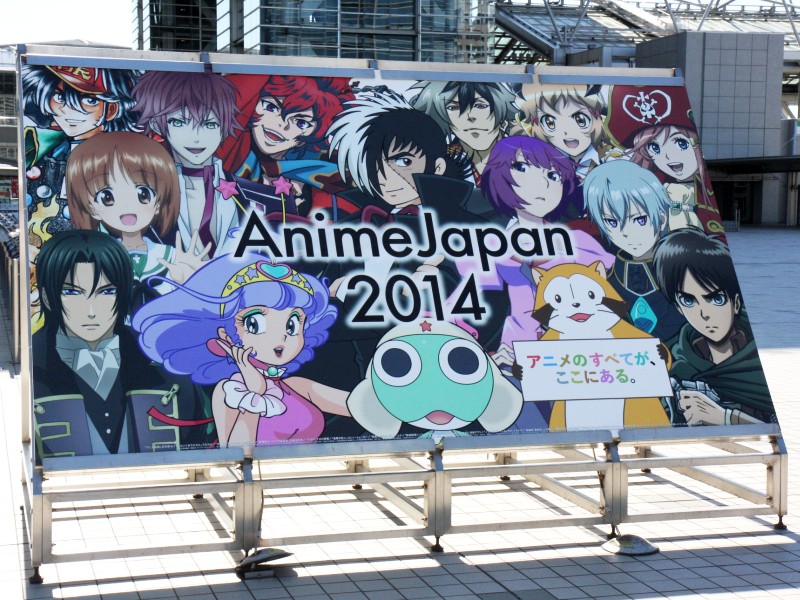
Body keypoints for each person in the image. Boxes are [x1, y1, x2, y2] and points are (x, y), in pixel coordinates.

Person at [132, 254, 351, 447]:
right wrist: (254, 395)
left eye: (292, 324)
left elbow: (360, 406)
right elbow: (236, 454)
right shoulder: (228, 392)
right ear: (225, 334)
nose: (282, 336)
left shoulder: (298, 387)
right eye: (255, 324)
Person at [32, 230, 213, 458]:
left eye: (106, 291)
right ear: (48, 297)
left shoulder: (160, 360)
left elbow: (200, 433)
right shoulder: (30, 368)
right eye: (72, 292)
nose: (91, 311)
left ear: (124, 293)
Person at [653, 228, 776, 425]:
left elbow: (774, 429)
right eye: (688, 301)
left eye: (716, 299)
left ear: (736, 303)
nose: (704, 313)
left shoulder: (755, 360)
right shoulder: (672, 360)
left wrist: (724, 418)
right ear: (678, 307)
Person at [65, 131, 209, 297]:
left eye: (143, 194)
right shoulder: (97, 260)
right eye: (107, 197)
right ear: (91, 208)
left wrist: (189, 283)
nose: (127, 206)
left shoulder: (172, 256)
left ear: (159, 202)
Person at [132, 71, 247, 256]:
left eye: (210, 124)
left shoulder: (260, 197)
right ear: (156, 124)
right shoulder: (138, 197)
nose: (196, 137)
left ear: (224, 127)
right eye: (179, 122)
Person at [22, 65, 139, 245]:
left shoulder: (122, 158)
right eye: (60, 97)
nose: (69, 111)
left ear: (111, 109)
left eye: (89, 101)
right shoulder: (41, 147)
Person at [583, 160, 684, 341]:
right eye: (612, 222)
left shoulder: (683, 273)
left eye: (639, 219)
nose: (626, 233)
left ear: (662, 219)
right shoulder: (607, 282)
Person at [605, 84, 723, 234]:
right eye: (654, 147)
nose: (668, 156)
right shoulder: (655, 188)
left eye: (680, 143)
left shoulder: (702, 193)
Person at [409, 80, 519, 186]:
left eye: (480, 106)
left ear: (502, 112)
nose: (470, 116)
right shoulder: (440, 160)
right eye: (454, 107)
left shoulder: (522, 153)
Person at [518, 82, 609, 180]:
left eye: (580, 120)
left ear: (598, 117)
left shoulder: (609, 157)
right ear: (536, 124)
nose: (566, 131)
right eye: (550, 123)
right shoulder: (539, 162)